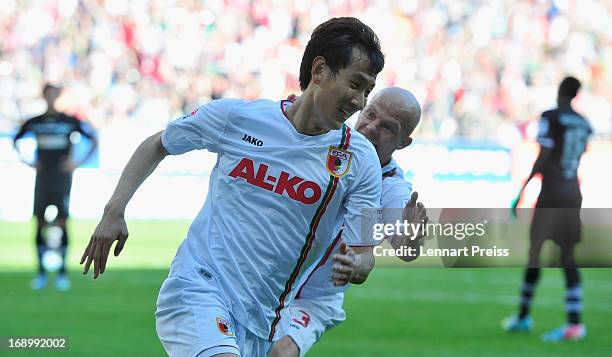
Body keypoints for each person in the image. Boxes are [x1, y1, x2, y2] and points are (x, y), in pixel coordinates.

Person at [80, 17, 385, 356]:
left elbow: (364, 254)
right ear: (319, 70)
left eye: (367, 91)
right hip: (197, 287)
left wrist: (356, 265)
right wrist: (113, 211)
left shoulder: (361, 160)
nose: (360, 102)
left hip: (263, 321)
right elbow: (158, 144)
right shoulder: (238, 118)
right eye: (355, 84)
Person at [269, 87, 427, 357]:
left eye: (388, 127)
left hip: (314, 299)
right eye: (371, 114)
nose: (372, 127)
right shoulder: (323, 140)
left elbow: (403, 245)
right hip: (269, 281)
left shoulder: (390, 187)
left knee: (280, 353)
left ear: (403, 142)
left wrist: (411, 239)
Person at [504, 77, 592, 341]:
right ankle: (575, 323)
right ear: (576, 94)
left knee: (535, 251)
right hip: (572, 192)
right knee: (568, 256)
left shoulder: (551, 117)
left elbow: (544, 156)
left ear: (559, 91)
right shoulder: (584, 123)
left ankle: (522, 316)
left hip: (552, 191)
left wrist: (523, 190)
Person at [13, 83, 98, 291]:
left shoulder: (69, 121)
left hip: (62, 180)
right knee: (40, 223)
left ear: (58, 96)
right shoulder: (35, 122)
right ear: (43, 96)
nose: (51, 98)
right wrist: (28, 161)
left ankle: (62, 274)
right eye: (48, 94)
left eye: (54, 94)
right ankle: (41, 273)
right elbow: (15, 140)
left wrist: (76, 163)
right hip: (42, 179)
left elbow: (93, 139)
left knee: (62, 222)